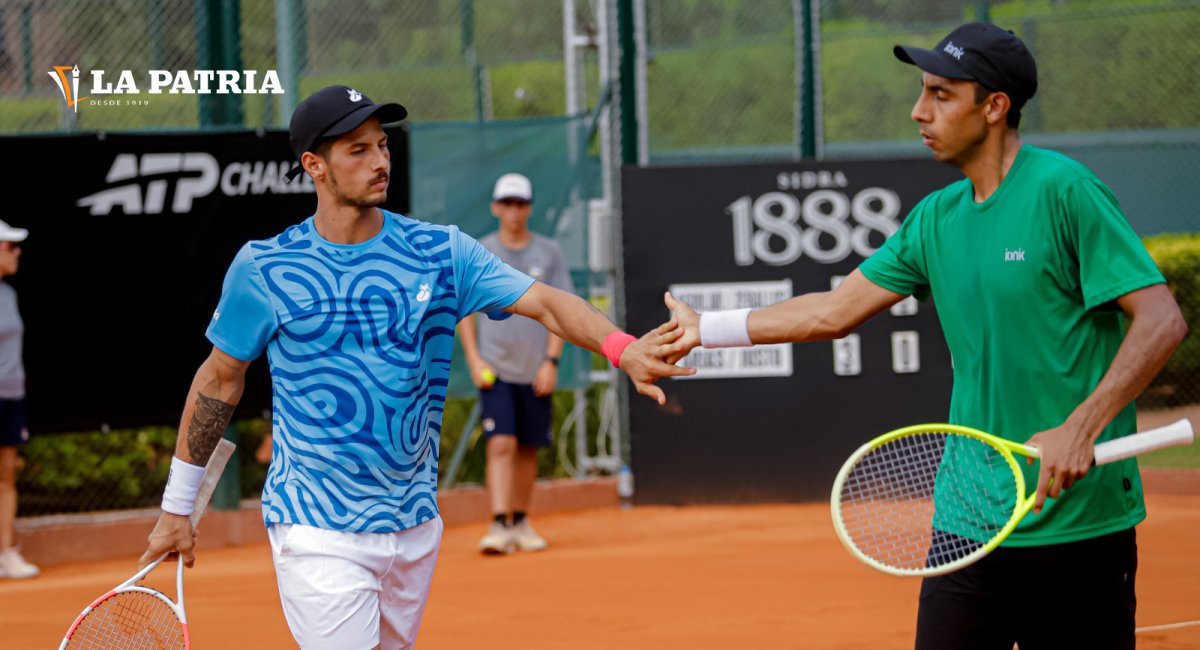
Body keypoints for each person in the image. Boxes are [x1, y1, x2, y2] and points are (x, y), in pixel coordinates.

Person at [661, 23, 1187, 650]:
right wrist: (705, 329)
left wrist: (1081, 426)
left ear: (993, 107)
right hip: (967, 519)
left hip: (1077, 522)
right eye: (922, 93)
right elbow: (835, 310)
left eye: (941, 94)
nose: (919, 111)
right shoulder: (935, 217)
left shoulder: (1065, 192)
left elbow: (1161, 320)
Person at [138, 85, 690, 649]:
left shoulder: (442, 252)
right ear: (314, 166)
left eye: (382, 146)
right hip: (314, 523)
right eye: (357, 150)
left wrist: (623, 348)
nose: (380, 161)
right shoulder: (264, 268)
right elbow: (219, 380)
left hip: (413, 523)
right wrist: (178, 508)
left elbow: (546, 302)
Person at [457, 173, 572, 555]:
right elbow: (464, 311)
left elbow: (561, 310)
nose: (513, 210)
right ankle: (498, 523)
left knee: (527, 446)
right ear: (495, 207)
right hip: (496, 369)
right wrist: (474, 359)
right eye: (506, 202)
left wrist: (550, 362)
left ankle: (520, 521)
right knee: (502, 443)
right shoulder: (481, 251)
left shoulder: (549, 252)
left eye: (520, 203)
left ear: (529, 208)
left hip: (535, 369)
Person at [0, 219, 37, 579]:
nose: (16, 252)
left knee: (7, 474)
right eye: (9, 246)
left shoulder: (9, 294)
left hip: (12, 393)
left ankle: (6, 552)